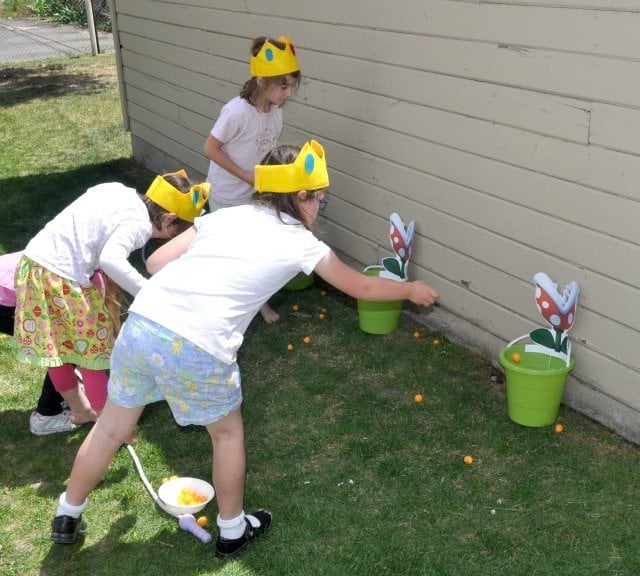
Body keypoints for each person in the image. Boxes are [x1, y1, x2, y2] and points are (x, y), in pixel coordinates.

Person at [49, 140, 439, 559]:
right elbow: (360, 285)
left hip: (142, 325)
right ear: (301, 196)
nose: (320, 208)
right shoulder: (302, 244)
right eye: (320, 200)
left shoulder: (224, 217)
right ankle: (232, 530)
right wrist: (410, 289)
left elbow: (157, 263)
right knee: (226, 433)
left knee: (110, 427)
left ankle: (68, 513)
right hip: (197, 344)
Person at [14, 170, 209, 425]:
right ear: (170, 218)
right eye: (174, 233)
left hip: (34, 268)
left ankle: (81, 410)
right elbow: (110, 259)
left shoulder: (118, 189)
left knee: (57, 348)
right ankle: (110, 425)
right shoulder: (138, 225)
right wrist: (149, 292)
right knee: (93, 352)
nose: (168, 240)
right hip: (63, 281)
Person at [203, 35, 301, 324]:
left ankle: (259, 304)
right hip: (227, 194)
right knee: (230, 254)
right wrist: (246, 176)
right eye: (283, 85)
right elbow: (210, 148)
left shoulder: (276, 112)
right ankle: (223, 306)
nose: (288, 93)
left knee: (255, 251)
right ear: (261, 80)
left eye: (292, 85)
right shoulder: (236, 112)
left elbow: (266, 151)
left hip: (255, 194)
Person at [0, 250, 76, 435]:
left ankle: (66, 395)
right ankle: (47, 416)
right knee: (69, 344)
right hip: (6, 299)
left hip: (10, 284)